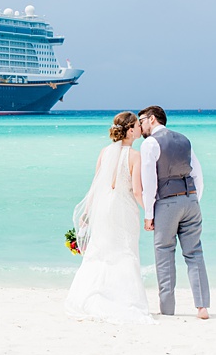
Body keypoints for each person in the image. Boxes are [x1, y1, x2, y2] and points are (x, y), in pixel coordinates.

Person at [64, 112, 153, 324]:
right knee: (125, 252)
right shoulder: (135, 156)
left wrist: (87, 213)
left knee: (101, 252)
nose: (141, 128)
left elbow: (96, 185)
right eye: (137, 126)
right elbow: (138, 192)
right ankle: (123, 298)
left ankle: (91, 295)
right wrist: (150, 213)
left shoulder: (104, 152)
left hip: (104, 210)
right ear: (130, 130)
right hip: (125, 210)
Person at [138, 105, 210, 319]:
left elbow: (149, 182)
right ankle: (202, 306)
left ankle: (167, 310)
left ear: (152, 119)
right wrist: (193, 200)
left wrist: (148, 214)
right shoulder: (184, 139)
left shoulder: (150, 143)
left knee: (164, 254)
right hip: (191, 200)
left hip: (166, 203)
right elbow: (198, 174)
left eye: (141, 120)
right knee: (195, 253)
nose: (140, 124)